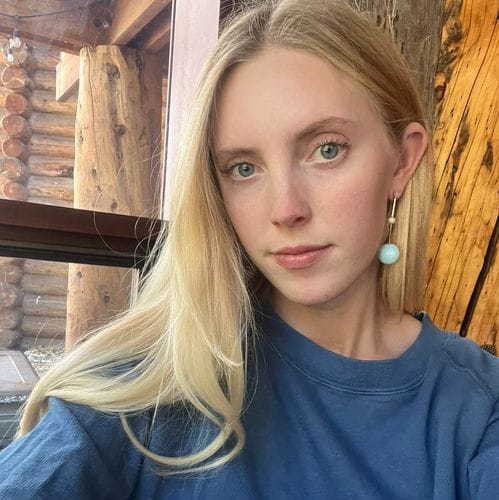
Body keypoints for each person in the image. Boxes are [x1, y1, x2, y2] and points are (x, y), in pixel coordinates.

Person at [1, 0, 498, 498]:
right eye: (243, 168)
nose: (285, 209)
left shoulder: (480, 406)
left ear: (402, 161)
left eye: (327, 149)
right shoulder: (139, 391)